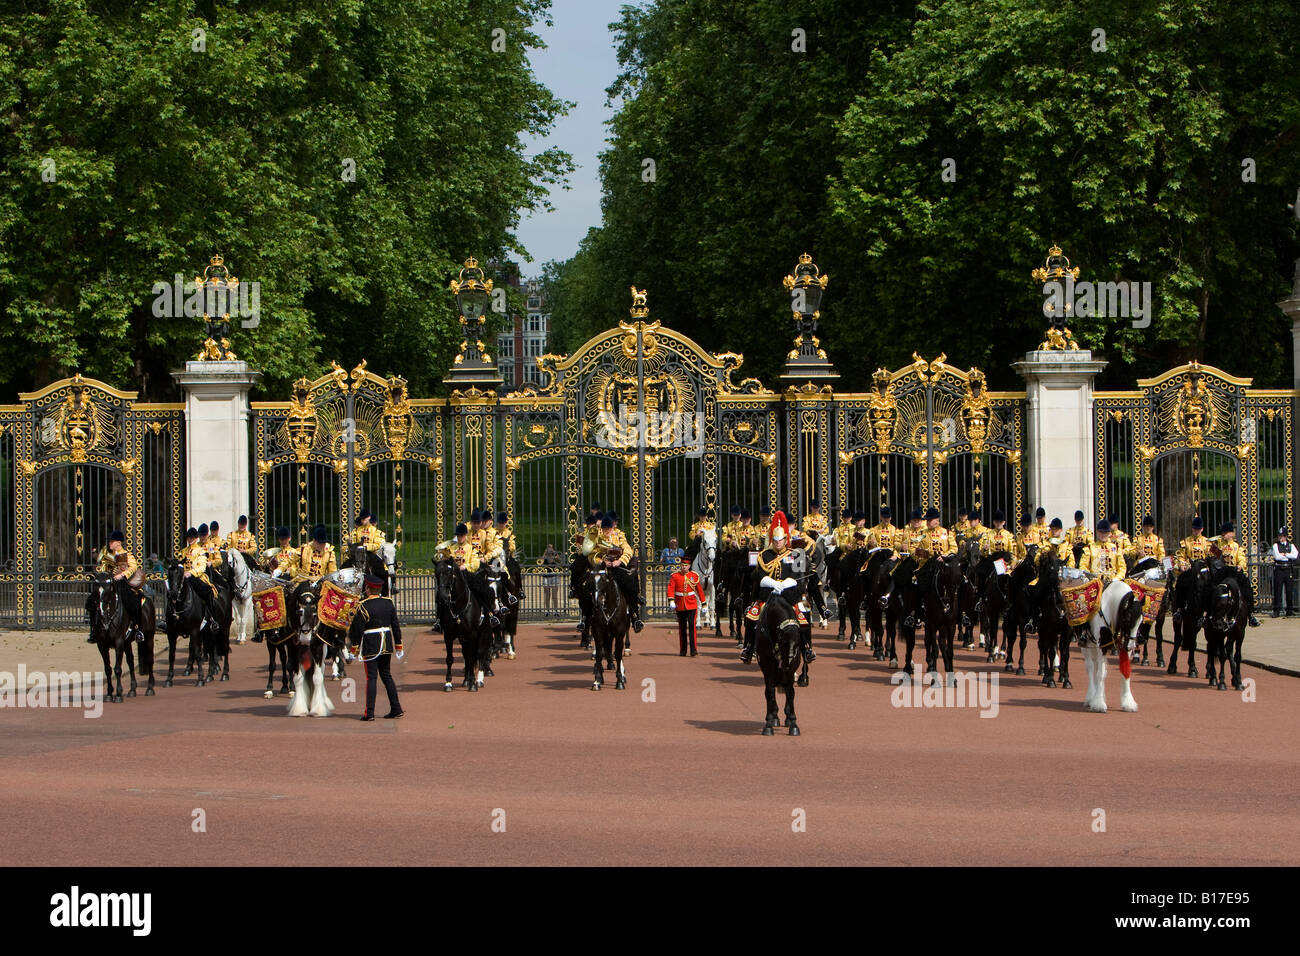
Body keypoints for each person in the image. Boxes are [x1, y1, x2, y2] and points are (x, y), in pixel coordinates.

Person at [740, 511, 816, 665]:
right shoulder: (764, 555)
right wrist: (772, 583)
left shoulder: (794, 554)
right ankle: (748, 648)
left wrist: (787, 583)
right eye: (774, 540)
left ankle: (807, 648)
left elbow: (797, 576)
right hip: (769, 592)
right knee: (751, 617)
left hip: (789, 593)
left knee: (803, 617)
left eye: (780, 540)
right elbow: (759, 575)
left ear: (785, 539)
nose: (777, 543)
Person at [350, 573, 404, 721]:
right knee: (387, 676)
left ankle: (370, 713)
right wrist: (398, 644)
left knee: (371, 677)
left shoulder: (363, 606)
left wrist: (353, 649)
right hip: (386, 643)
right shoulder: (388, 602)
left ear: (367, 589)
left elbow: (357, 630)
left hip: (371, 644)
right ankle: (396, 708)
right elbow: (395, 626)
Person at [586, 515, 644, 632]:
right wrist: (601, 561)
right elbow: (592, 554)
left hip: (616, 568)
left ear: (612, 528)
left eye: (609, 529)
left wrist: (620, 561)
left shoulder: (619, 536)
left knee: (630, 586)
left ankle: (635, 616)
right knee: (588, 587)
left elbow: (627, 550)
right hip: (602, 568)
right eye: (604, 529)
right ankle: (586, 618)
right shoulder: (597, 537)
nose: (606, 532)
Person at [903, 506, 956, 628]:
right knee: (917, 585)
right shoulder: (922, 534)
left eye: (929, 520)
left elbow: (954, 549)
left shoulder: (946, 533)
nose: (927, 522)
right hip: (927, 565)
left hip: (943, 563)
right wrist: (924, 555)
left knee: (958, 581)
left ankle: (959, 612)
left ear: (937, 520)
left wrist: (944, 556)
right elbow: (912, 548)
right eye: (926, 520)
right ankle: (916, 613)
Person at [91, 530, 146, 643]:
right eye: (110, 541)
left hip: (121, 584)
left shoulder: (125, 554)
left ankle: (137, 629)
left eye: (112, 541)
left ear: (119, 542)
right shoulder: (106, 554)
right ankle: (93, 630)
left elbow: (133, 567)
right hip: (108, 583)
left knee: (132, 603)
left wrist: (122, 575)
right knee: (91, 601)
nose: (110, 543)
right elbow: (102, 567)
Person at [1212, 521, 1260, 627]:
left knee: (1247, 587)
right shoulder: (1218, 545)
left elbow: (1242, 559)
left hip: (1233, 572)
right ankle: (1206, 615)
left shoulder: (1237, 546)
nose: (1224, 534)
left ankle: (1251, 614)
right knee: (1208, 587)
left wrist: (1240, 565)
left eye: (1226, 532)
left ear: (1232, 534)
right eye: (1223, 533)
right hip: (1221, 572)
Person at [668, 554, 704, 655]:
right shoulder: (675, 576)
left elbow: (699, 590)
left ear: (689, 566)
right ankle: (683, 649)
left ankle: (693, 649)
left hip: (692, 604)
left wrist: (704, 603)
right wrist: (671, 600)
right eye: (682, 565)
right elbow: (671, 588)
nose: (684, 567)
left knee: (692, 626)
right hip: (680, 604)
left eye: (686, 565)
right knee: (682, 628)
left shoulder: (694, 576)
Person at [1271, 527, 1298, 617]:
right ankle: (1276, 610)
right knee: (1278, 590)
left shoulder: (1291, 545)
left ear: (1286, 536)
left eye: (1282, 536)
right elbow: (1277, 557)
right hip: (1279, 569)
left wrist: (1285, 554)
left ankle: (1289, 610)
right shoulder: (1275, 545)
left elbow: (1295, 555)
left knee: (1289, 590)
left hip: (1288, 569)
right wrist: (1288, 556)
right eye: (1279, 536)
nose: (1281, 538)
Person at [541, 543, 564, 618]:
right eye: (549, 548)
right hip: (546, 576)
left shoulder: (554, 554)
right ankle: (547, 611)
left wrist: (555, 555)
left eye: (551, 548)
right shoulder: (545, 556)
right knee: (547, 594)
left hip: (554, 575)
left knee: (555, 595)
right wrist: (545, 554)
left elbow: (560, 561)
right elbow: (540, 562)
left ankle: (556, 611)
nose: (550, 550)